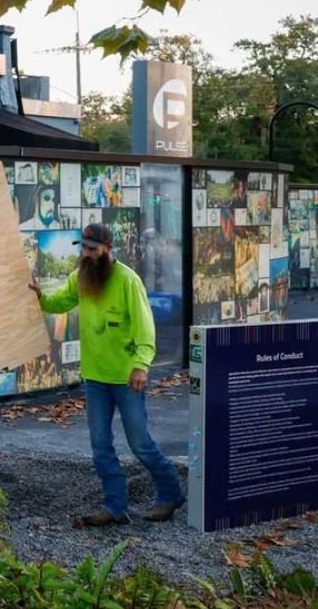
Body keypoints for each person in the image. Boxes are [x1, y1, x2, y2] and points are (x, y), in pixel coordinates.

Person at [28, 223, 185, 526]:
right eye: (84, 248)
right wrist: (40, 297)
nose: (87, 254)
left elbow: (145, 327)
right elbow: (60, 302)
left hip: (127, 377)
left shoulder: (128, 281)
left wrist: (141, 365)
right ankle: (115, 507)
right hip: (96, 377)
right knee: (100, 446)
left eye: (92, 249)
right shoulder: (80, 277)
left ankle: (170, 494)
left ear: (108, 248)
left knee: (140, 443)